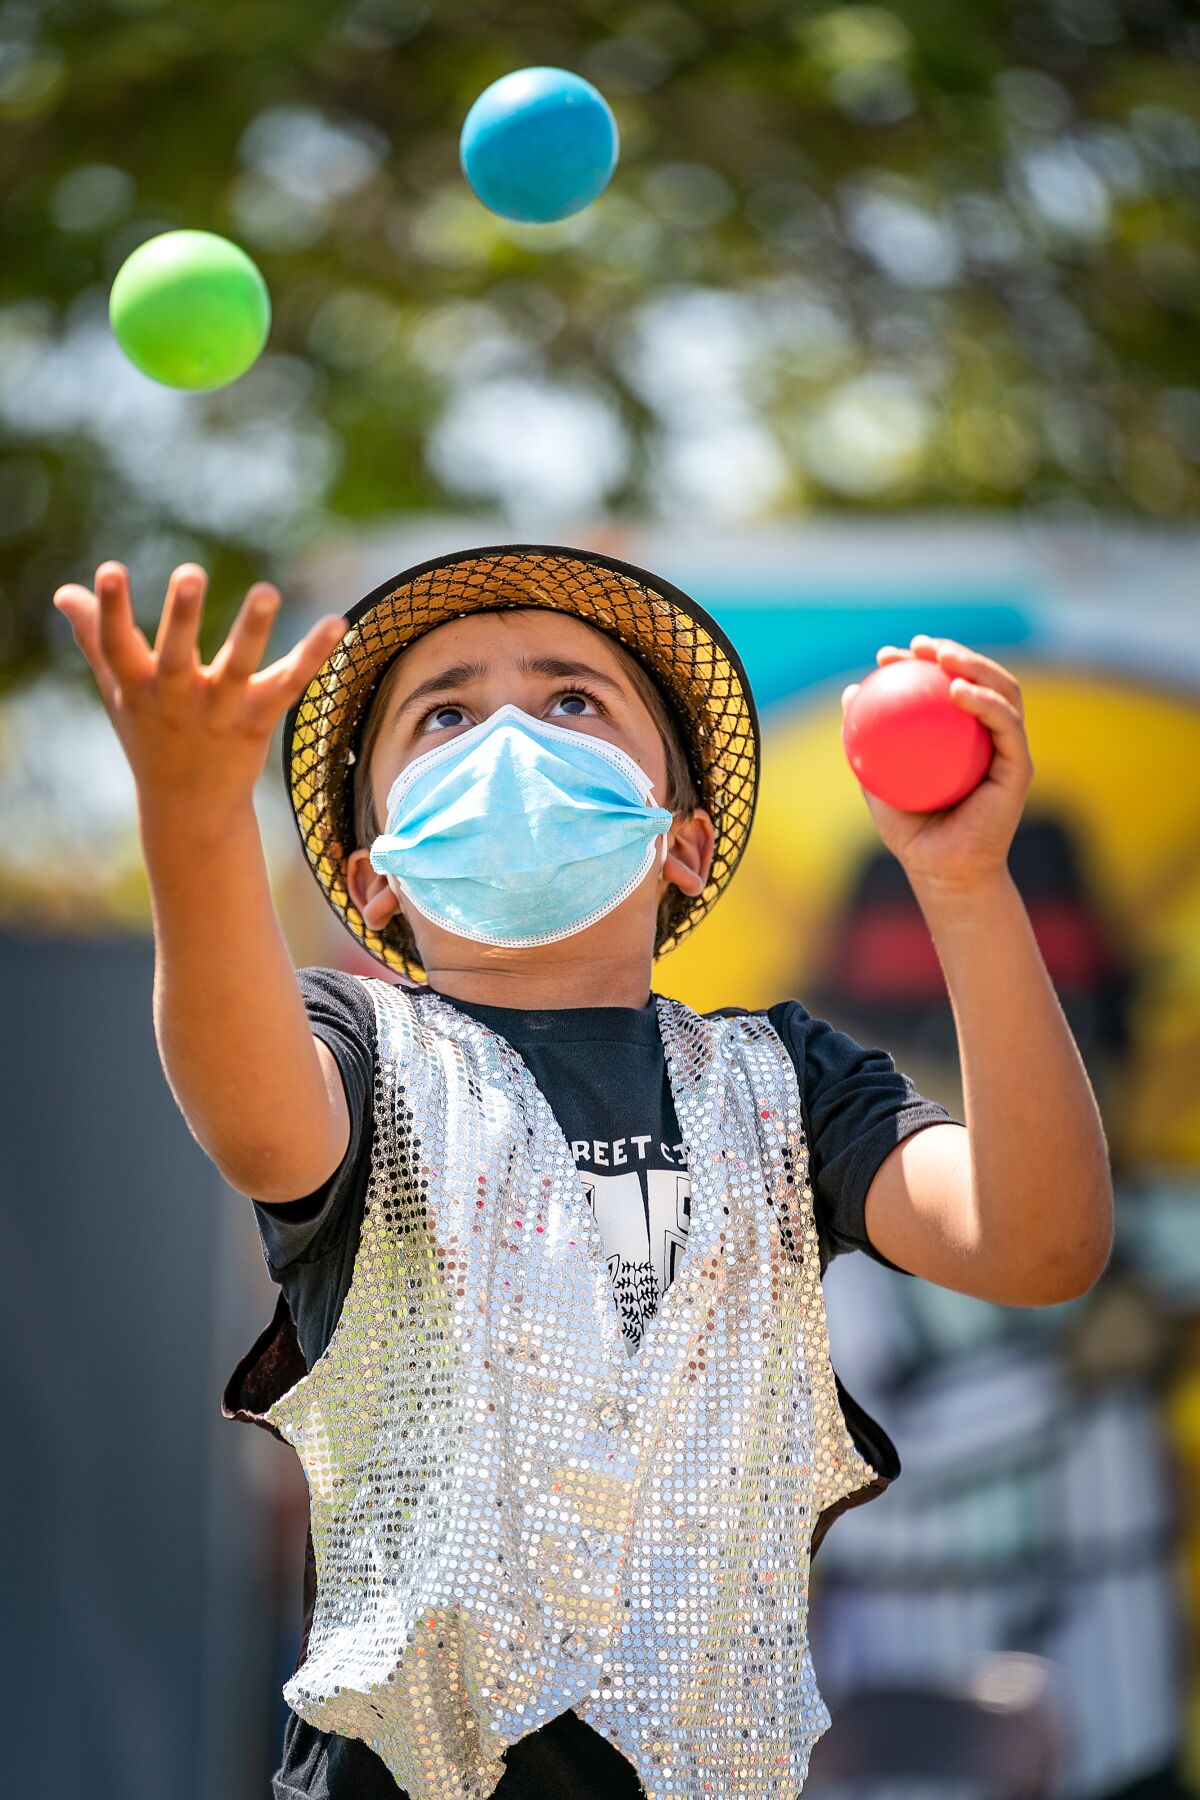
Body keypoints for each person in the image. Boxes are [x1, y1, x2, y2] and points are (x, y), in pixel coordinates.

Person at [53, 542, 1114, 1800]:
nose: (510, 730)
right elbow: (254, 1115)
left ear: (680, 841)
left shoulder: (790, 1082)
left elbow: (1039, 1243)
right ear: (373, 881)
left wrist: (963, 884)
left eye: (573, 700)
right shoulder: (363, 1056)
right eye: (444, 711)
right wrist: (192, 815)